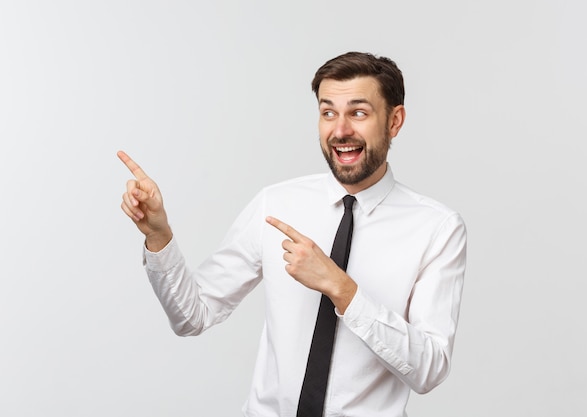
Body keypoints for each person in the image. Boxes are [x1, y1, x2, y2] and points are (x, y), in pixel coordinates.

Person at [119, 51, 467, 417]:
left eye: (358, 113)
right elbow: (193, 316)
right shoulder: (277, 203)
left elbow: (429, 369)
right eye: (328, 112)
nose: (341, 130)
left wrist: (343, 290)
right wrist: (159, 236)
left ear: (394, 121)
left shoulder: (437, 228)